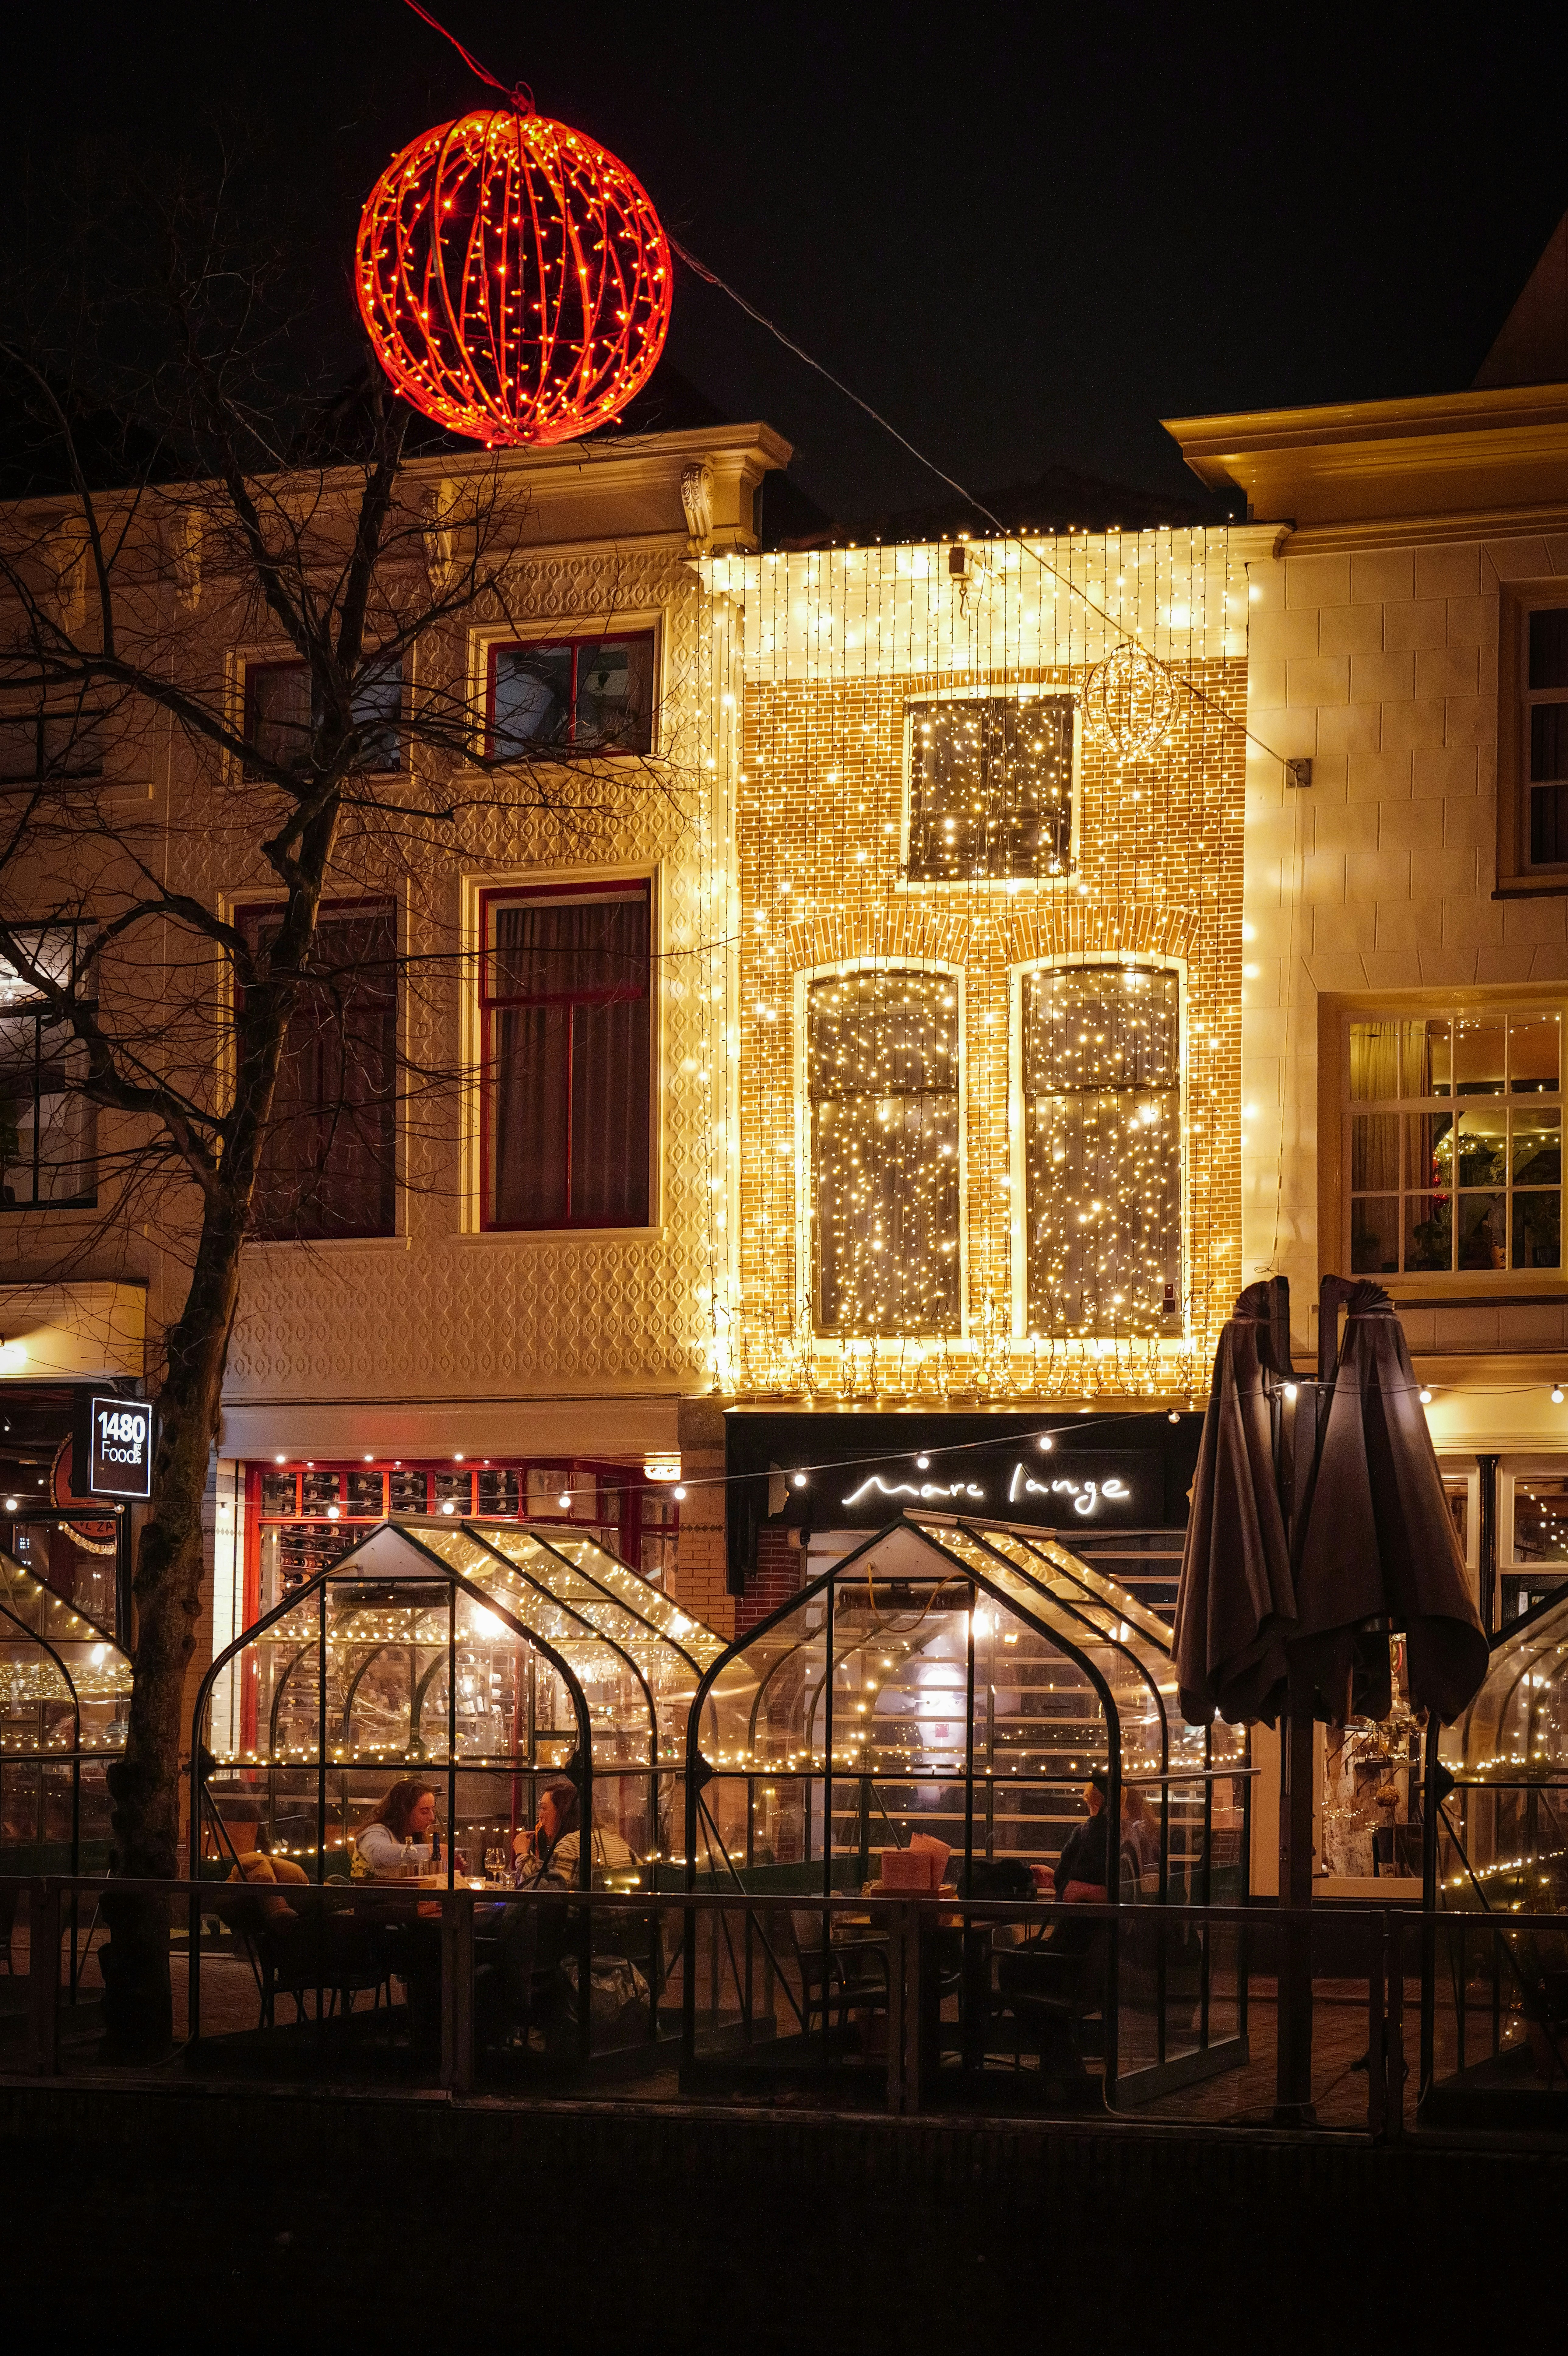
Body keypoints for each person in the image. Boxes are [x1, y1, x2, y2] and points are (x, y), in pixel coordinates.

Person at [512, 1778, 637, 1891]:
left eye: (544, 1808)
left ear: (564, 1812)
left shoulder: (572, 1843)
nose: (540, 1815)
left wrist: (522, 1854)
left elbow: (540, 1891)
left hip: (582, 1915)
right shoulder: (617, 1841)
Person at [357, 1779, 442, 1877]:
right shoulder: (376, 1831)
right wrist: (430, 1850)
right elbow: (376, 1856)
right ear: (404, 1811)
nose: (432, 1818)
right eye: (424, 1812)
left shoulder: (414, 1836)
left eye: (433, 1810)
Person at [1053, 1768, 1111, 1904]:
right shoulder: (1127, 1831)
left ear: (1093, 1803)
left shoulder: (1084, 1833)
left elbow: (1061, 1879)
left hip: (1083, 1915)